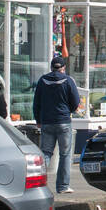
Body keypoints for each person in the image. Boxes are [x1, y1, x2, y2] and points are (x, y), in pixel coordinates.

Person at [34, 55, 83, 195]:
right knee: (65, 154)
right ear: (63, 68)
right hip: (63, 122)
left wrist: (38, 120)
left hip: (47, 122)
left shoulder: (42, 81)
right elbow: (75, 101)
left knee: (46, 153)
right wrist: (70, 110)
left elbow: (36, 102)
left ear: (51, 67)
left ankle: (36, 184)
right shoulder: (68, 81)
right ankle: (63, 186)